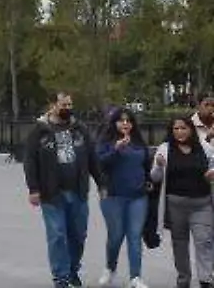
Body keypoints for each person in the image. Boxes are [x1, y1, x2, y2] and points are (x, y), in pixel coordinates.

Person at [24, 91, 98, 288]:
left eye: (70, 105)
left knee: (78, 235)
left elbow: (92, 157)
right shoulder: (40, 131)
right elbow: (30, 161)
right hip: (52, 193)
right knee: (57, 234)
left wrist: (103, 183)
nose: (67, 108)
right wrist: (33, 189)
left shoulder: (80, 129)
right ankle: (61, 277)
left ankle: (73, 270)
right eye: (63, 105)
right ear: (53, 105)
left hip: (78, 191)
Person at [149, 114, 213, 288]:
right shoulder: (164, 149)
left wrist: (211, 174)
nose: (179, 132)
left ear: (191, 129)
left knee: (204, 241)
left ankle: (206, 279)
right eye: (175, 129)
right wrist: (159, 166)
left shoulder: (204, 147)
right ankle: (183, 279)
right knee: (179, 243)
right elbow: (154, 178)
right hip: (175, 204)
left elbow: (213, 165)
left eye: (183, 128)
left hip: (202, 204)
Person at [96, 106, 150, 288]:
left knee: (134, 236)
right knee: (116, 236)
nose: (125, 123)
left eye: (129, 120)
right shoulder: (106, 141)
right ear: (114, 123)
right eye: (121, 120)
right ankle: (110, 268)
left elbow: (146, 166)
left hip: (138, 196)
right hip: (113, 196)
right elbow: (99, 164)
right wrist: (116, 149)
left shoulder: (139, 142)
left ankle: (135, 277)